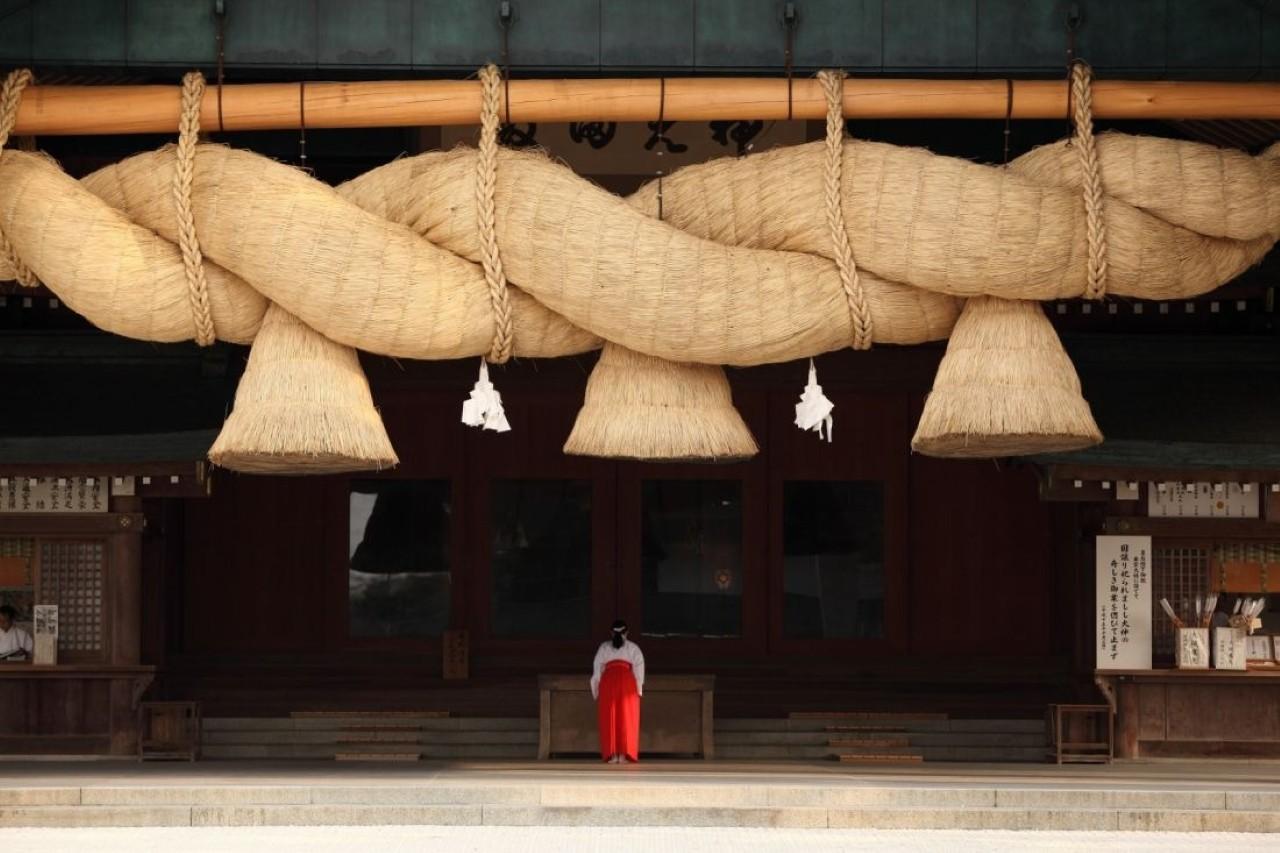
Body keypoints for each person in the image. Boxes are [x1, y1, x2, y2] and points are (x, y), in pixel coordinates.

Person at [590, 619, 644, 764]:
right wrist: (638, 690)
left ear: (611, 633)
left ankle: (612, 754)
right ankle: (625, 754)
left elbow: (597, 670)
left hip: (608, 681)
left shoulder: (604, 648)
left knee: (610, 716)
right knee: (627, 717)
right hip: (627, 682)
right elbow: (639, 671)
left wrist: (596, 689)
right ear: (627, 633)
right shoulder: (633, 648)